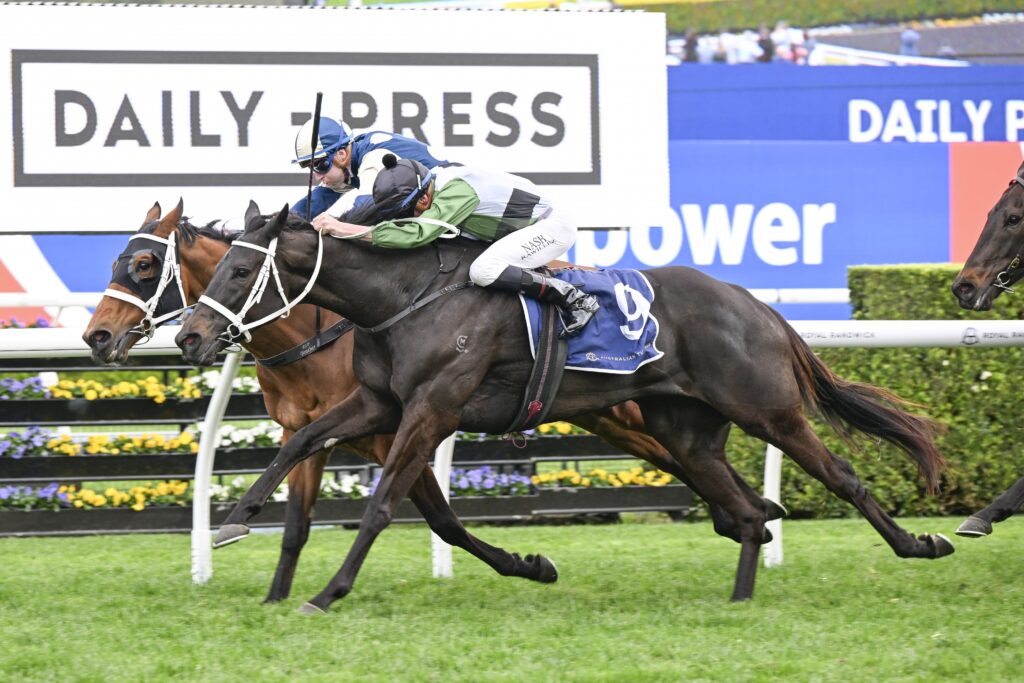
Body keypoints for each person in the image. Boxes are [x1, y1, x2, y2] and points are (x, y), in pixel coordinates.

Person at [313, 154, 600, 337]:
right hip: (513, 229)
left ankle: (573, 297)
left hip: (551, 227)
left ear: (423, 200)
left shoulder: (456, 190)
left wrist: (344, 228)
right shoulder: (433, 187)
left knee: (483, 270)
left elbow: (416, 234)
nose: (406, 220)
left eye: (407, 213)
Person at [291, 116, 449, 222]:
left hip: (454, 203)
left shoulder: (373, 158)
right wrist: (283, 222)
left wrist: (328, 223)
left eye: (321, 166)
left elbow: (363, 211)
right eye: (312, 169)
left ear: (341, 154)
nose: (318, 177)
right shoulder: (350, 159)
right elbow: (317, 200)